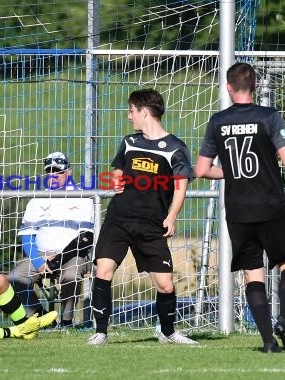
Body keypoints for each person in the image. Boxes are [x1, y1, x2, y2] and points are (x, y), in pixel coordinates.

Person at [195, 62, 285, 353]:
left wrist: (231, 171)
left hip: (238, 210)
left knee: (253, 273)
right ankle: (283, 319)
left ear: (229, 88)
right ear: (255, 86)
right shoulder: (268, 116)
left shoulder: (217, 121)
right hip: (271, 205)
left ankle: (269, 341)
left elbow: (202, 169)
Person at [87, 89, 196, 345]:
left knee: (165, 285)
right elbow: (117, 170)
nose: (129, 116)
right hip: (119, 218)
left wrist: (172, 216)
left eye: (132, 111)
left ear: (144, 112)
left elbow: (181, 189)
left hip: (151, 224)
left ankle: (168, 332)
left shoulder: (176, 148)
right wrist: (117, 180)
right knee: (104, 269)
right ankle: (100, 331)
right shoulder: (129, 142)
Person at [8, 152, 94, 327]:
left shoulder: (84, 197)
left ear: (69, 172)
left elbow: (86, 237)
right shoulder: (37, 199)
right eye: (50, 171)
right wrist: (39, 261)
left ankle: (67, 320)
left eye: (58, 171)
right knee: (15, 278)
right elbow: (27, 236)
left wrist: (56, 261)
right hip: (41, 255)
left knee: (71, 275)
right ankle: (42, 317)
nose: (53, 175)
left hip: (72, 255)